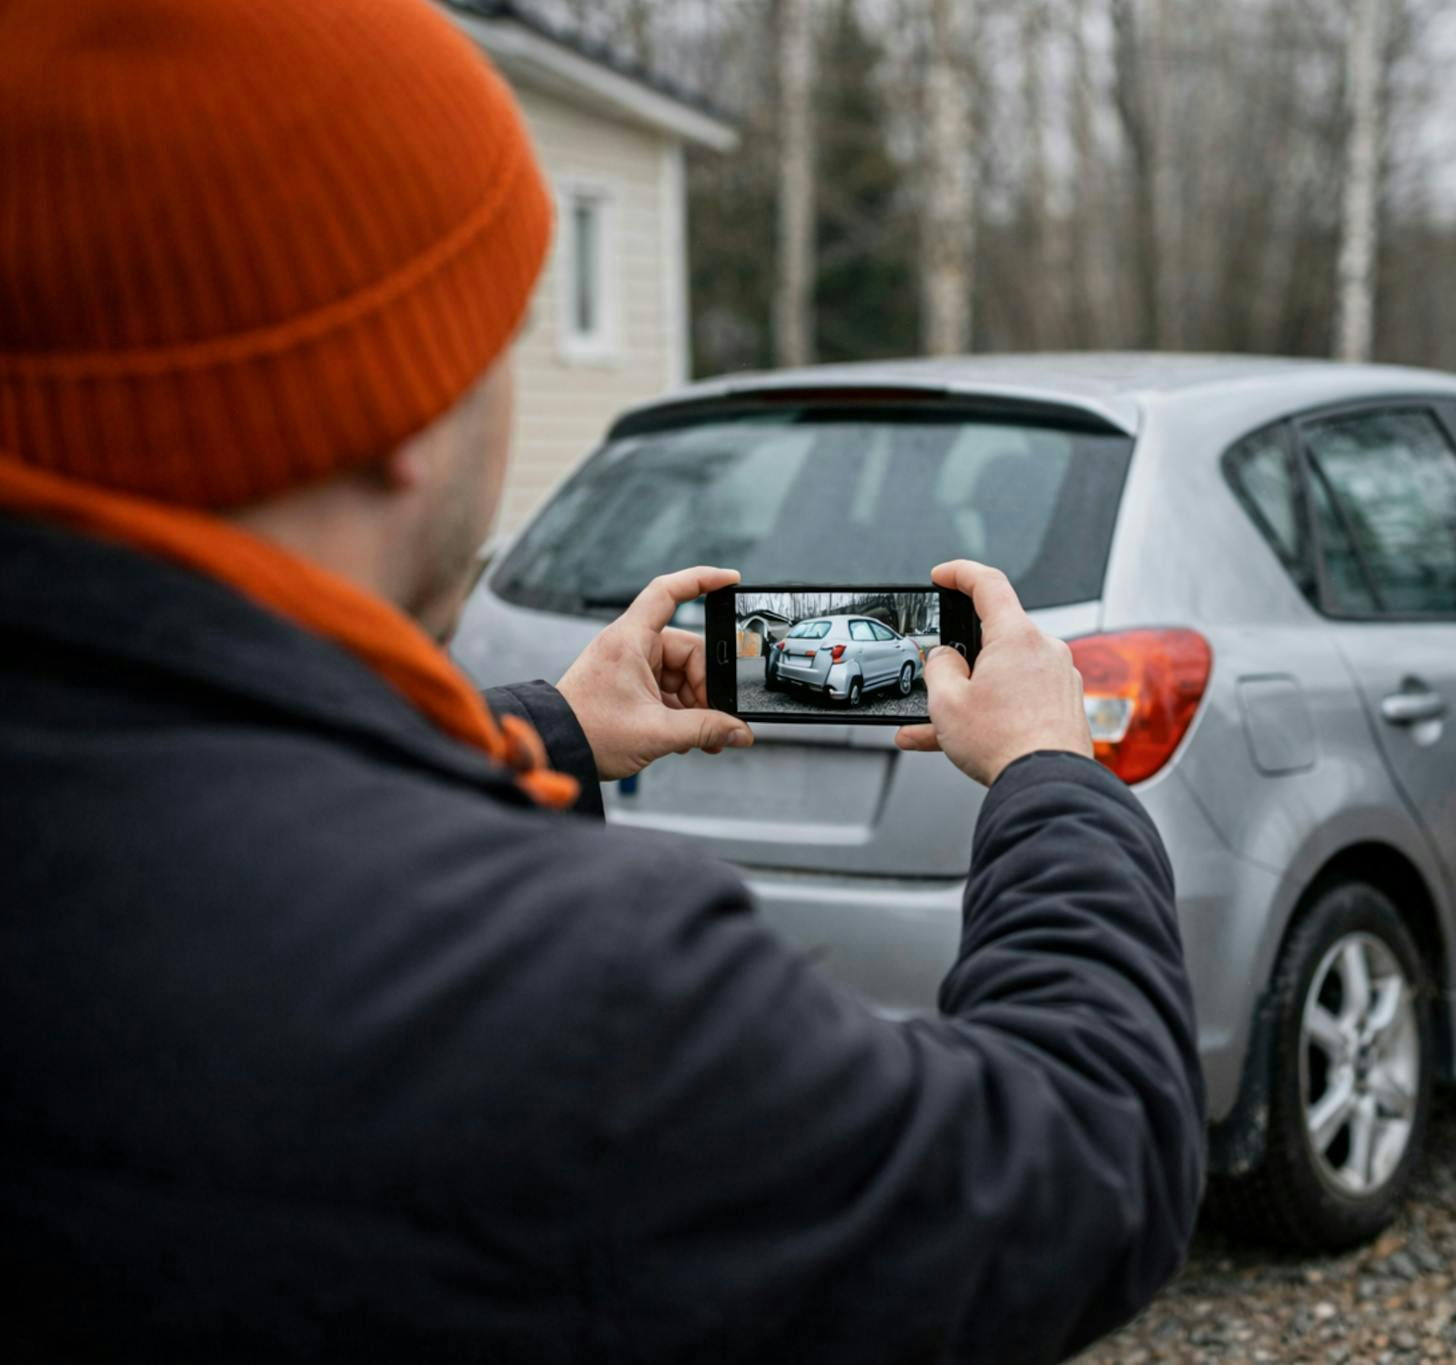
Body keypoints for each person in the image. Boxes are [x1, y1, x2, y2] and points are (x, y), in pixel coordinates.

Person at [0, 1, 1204, 1360]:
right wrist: (1053, 776)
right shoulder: (570, 989)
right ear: (397, 404)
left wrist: (549, 733)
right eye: (495, 328)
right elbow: (1073, 1167)